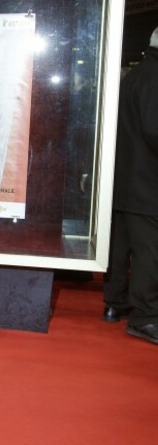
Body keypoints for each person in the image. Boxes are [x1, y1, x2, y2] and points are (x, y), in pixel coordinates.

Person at [102, 26, 158, 345]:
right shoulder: (155, 76)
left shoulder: (135, 75)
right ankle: (146, 317)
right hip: (147, 182)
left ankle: (115, 304)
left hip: (125, 178)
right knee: (149, 251)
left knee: (120, 247)